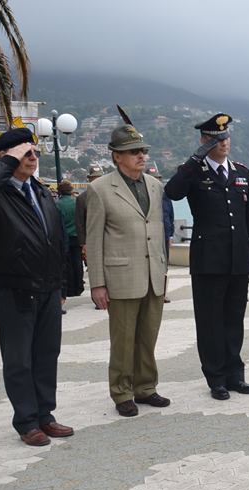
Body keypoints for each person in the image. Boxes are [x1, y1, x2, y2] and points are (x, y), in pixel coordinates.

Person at [0, 127, 73, 446]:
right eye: (25, 153)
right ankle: (26, 421)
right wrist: (4, 162)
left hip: (47, 287)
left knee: (46, 354)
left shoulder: (41, 191)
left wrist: (61, 285)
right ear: (8, 157)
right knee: (19, 359)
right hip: (14, 289)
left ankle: (45, 415)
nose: (33, 158)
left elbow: (53, 239)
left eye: (35, 152)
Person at [165, 113, 249, 400]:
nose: (224, 142)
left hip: (237, 260)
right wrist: (196, 159)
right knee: (210, 322)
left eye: (226, 136)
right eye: (217, 139)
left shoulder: (241, 171)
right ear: (205, 141)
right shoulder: (193, 171)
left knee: (234, 319)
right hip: (208, 260)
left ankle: (235, 374)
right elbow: (172, 192)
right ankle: (216, 377)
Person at [86, 124, 170, 417]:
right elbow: (93, 239)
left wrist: (164, 271)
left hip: (153, 275)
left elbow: (159, 232)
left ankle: (146, 387)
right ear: (116, 156)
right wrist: (97, 283)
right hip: (120, 277)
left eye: (143, 150)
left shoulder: (155, 186)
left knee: (148, 336)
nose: (141, 156)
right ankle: (121, 391)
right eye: (133, 152)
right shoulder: (99, 189)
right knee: (123, 340)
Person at [146, 164, 175, 304]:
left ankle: (162, 293)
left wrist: (171, 235)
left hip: (164, 234)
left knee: (164, 266)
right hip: (149, 236)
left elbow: (170, 215)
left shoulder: (165, 195)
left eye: (157, 178)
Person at [56, 180, 84, 298]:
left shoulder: (57, 204)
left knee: (67, 263)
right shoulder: (77, 202)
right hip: (77, 235)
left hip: (64, 236)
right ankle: (79, 286)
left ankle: (70, 288)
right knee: (78, 262)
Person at [75, 163, 105, 262]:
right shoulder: (82, 198)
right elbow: (79, 223)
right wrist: (83, 244)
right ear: (89, 179)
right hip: (92, 240)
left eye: (99, 178)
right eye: (94, 178)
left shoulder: (111, 196)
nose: (97, 180)